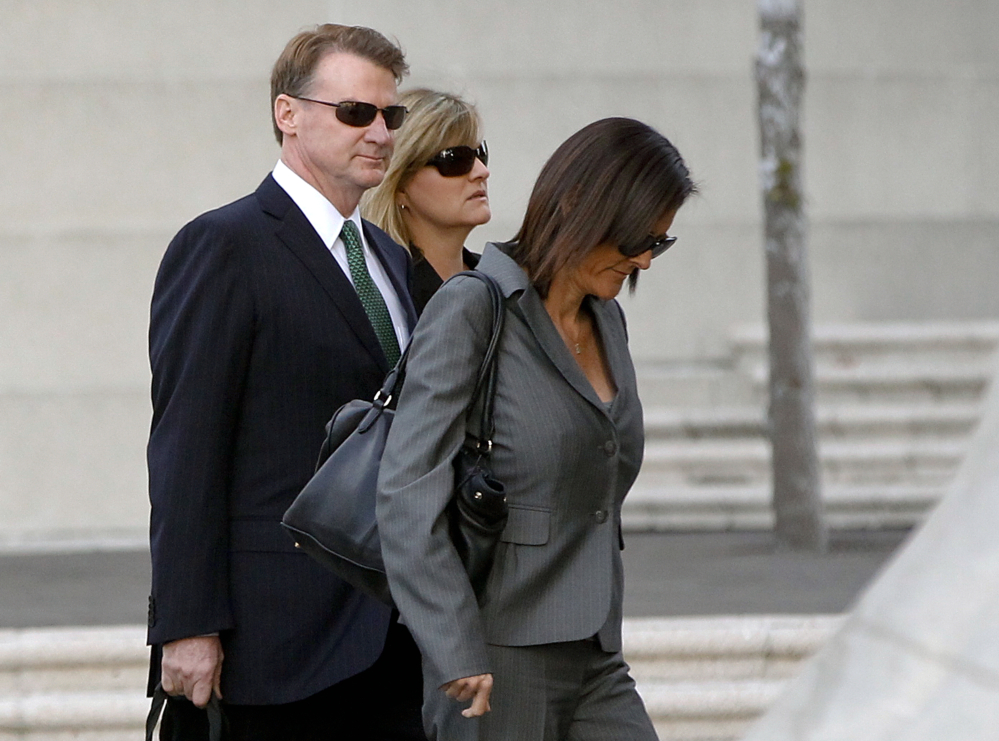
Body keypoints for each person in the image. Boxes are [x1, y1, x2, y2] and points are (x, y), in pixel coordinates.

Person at [146, 23, 426, 740]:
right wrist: (187, 623)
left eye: (390, 116)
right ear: (288, 113)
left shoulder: (391, 261)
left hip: (394, 639)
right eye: (356, 112)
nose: (380, 133)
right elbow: (185, 446)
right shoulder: (224, 245)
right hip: (274, 646)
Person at [377, 117, 696, 740]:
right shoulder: (474, 307)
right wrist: (455, 647)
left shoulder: (608, 322)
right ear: (581, 207)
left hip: (597, 653)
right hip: (495, 660)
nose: (644, 261)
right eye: (638, 238)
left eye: (660, 243)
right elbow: (405, 492)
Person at [363, 88, 490, 315]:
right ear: (400, 185)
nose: (481, 172)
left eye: (480, 154)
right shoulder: (386, 297)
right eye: (456, 159)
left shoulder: (501, 286)